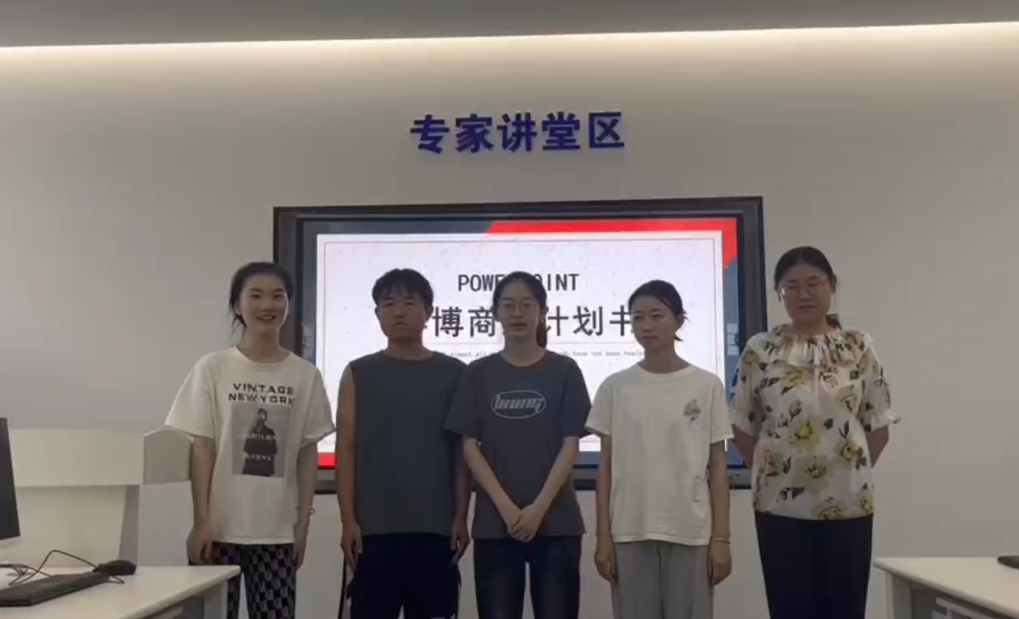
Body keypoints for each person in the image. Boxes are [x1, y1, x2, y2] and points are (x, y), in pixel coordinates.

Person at [730, 247, 899, 619]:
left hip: (848, 506)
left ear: (832, 286)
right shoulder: (760, 351)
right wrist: (774, 472)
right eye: (791, 286)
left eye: (813, 283)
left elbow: (878, 427)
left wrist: (844, 473)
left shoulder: (858, 347)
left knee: (844, 608)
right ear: (779, 293)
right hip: (779, 507)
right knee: (789, 608)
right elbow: (742, 426)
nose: (803, 294)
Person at [166, 262, 335, 619]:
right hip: (218, 532)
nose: (267, 305)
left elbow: (307, 453)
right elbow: (203, 448)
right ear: (237, 305)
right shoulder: (212, 368)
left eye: (278, 296)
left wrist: (302, 525)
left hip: (277, 534)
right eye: (255, 295)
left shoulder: (305, 375)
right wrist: (201, 521)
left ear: (288, 304)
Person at [445, 271, 590, 619]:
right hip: (496, 525)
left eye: (527, 304)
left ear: (543, 311)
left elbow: (571, 444)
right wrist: (507, 508)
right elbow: (469, 446)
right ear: (496, 313)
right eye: (509, 305)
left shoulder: (565, 369)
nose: (518, 313)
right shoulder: (477, 373)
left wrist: (538, 509)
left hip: (557, 523)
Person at [588, 280, 733, 619]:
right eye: (637, 318)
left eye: (657, 315)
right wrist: (603, 536)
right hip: (629, 530)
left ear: (678, 320)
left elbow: (718, 467)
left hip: (691, 531)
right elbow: (605, 467)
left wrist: (722, 539)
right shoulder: (614, 387)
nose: (646, 326)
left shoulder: (706, 385)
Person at [336, 268, 470, 619]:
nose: (398, 311)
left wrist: (461, 516)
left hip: (435, 526)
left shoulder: (455, 372)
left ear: (429, 313)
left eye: (409, 302)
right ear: (377, 313)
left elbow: (461, 454)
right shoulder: (358, 372)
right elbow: (346, 449)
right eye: (388, 303)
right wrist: (348, 520)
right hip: (372, 529)